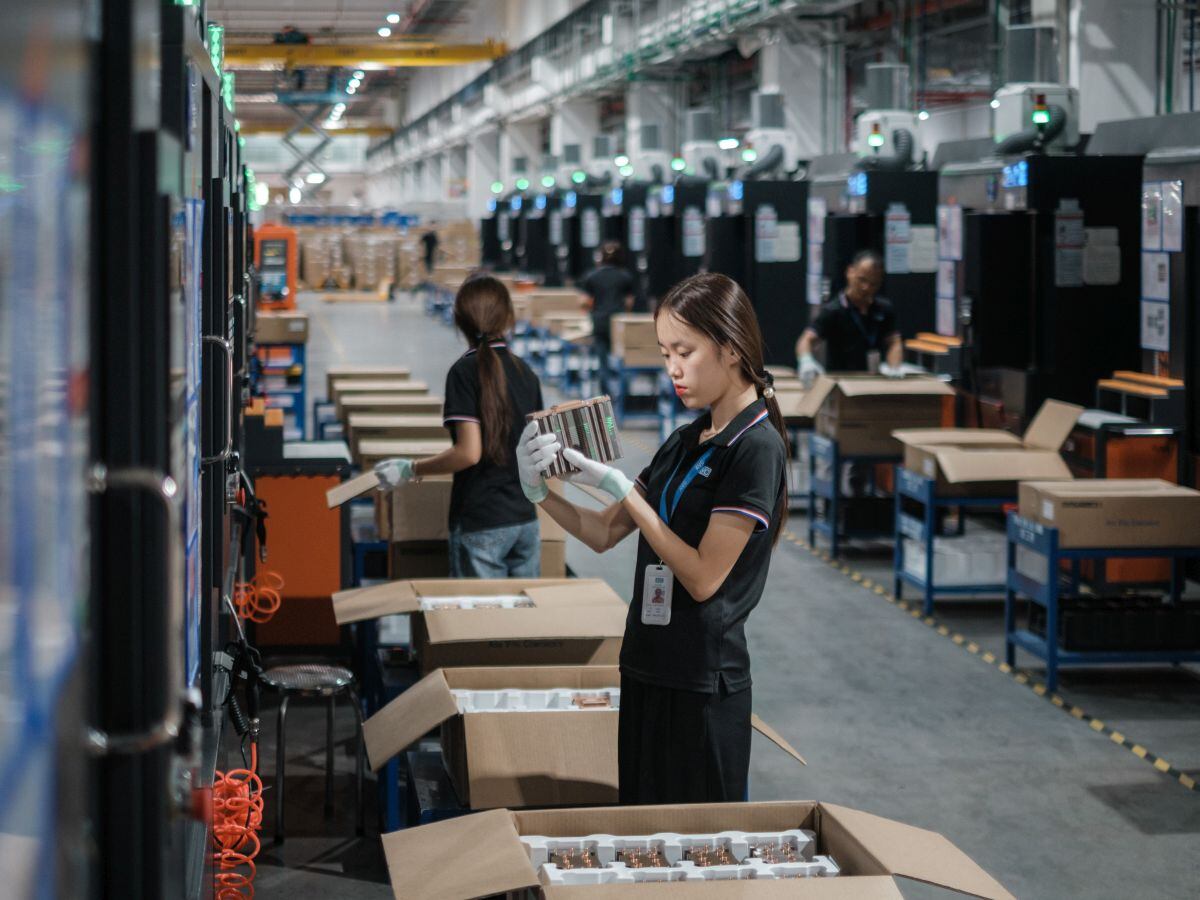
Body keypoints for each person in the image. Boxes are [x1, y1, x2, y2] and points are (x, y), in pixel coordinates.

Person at [517, 272, 788, 804]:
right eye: (665, 353)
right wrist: (538, 492)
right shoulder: (686, 440)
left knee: (692, 849)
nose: (672, 370)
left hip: (701, 683)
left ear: (731, 348)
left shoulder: (755, 449)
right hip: (647, 664)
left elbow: (705, 577)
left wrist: (623, 489)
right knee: (640, 826)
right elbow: (601, 532)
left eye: (684, 352)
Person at [374, 274, 545, 577]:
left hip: (482, 522)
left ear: (459, 321)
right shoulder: (526, 372)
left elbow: (468, 453)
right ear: (508, 317)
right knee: (520, 624)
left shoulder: (463, 373)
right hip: (525, 521)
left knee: (478, 623)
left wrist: (411, 469)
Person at [795, 249, 902, 385]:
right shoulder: (834, 310)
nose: (866, 287)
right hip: (842, 381)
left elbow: (894, 341)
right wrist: (806, 360)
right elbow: (806, 339)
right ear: (850, 272)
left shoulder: (884, 309)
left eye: (873, 283)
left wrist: (894, 367)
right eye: (861, 280)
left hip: (874, 379)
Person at [579, 240, 635, 394]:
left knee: (602, 361)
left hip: (600, 322)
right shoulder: (625, 277)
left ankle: (606, 395)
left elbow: (584, 302)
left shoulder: (591, 276)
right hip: (618, 323)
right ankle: (624, 393)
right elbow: (629, 303)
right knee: (621, 359)